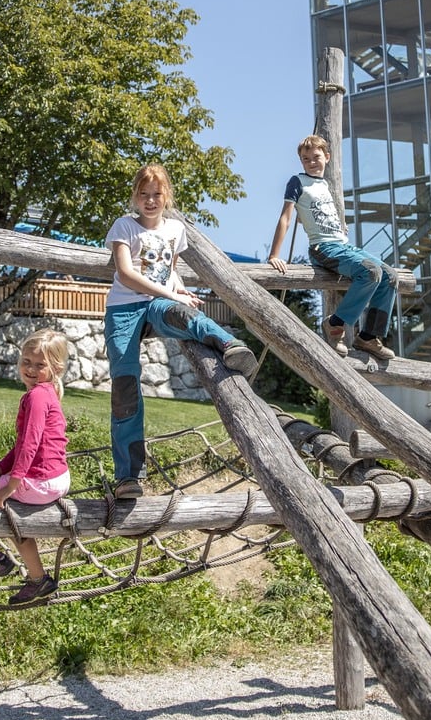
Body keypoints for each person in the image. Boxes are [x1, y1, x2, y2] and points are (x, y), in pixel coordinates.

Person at [105, 164, 257, 499]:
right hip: (124, 309)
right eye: (143, 194)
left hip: (158, 302)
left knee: (181, 313)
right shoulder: (124, 227)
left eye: (156, 194)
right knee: (125, 387)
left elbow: (169, 271)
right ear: (135, 196)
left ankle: (229, 344)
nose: (150, 200)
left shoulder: (175, 229)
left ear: (166, 196)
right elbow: (126, 274)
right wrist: (170, 291)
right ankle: (128, 476)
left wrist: (180, 291)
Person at [266, 135, 397, 362]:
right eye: (305, 159)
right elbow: (286, 218)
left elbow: (314, 214)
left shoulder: (325, 184)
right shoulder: (297, 181)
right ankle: (335, 323)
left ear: (327, 157)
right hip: (323, 248)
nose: (311, 162)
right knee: (370, 272)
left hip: (343, 246)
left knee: (390, 276)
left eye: (316, 157)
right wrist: (274, 255)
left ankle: (367, 336)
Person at [0, 328, 72, 605]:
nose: (31, 369)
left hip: (40, 481)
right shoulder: (46, 393)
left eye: (40, 365)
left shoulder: (37, 396)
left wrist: (11, 485)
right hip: (56, 477)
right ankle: (31, 576)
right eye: (26, 361)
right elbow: (22, 445)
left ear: (56, 367)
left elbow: (30, 446)